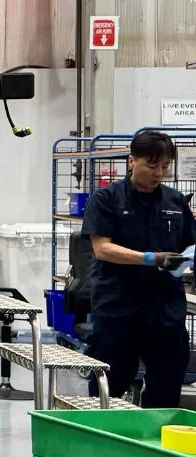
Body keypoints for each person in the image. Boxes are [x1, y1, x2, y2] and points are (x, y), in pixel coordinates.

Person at [81, 130, 194, 409]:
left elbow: (190, 246)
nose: (159, 173)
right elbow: (102, 248)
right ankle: (101, 445)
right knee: (108, 388)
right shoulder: (106, 199)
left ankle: (153, 447)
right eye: (152, 165)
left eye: (165, 166)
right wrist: (151, 259)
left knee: (166, 390)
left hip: (165, 312)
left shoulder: (176, 202)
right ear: (132, 161)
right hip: (118, 309)